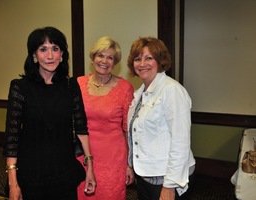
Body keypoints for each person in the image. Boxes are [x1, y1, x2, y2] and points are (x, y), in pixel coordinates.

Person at [2, 26, 96, 200]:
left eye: (55, 49)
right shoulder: (20, 87)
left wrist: (90, 167)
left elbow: (82, 128)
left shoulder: (71, 86)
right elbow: (12, 138)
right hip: (31, 172)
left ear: (62, 54)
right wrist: (13, 183)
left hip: (63, 170)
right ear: (34, 56)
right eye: (43, 49)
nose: (50, 56)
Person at [127, 37, 195, 200]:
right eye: (138, 59)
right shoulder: (140, 93)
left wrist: (169, 186)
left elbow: (181, 141)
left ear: (160, 60)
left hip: (166, 179)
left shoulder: (172, 90)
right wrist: (130, 165)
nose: (142, 64)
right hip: (145, 176)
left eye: (149, 58)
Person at [76, 36, 135, 199]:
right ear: (93, 58)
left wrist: (129, 164)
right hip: (82, 155)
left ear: (115, 63)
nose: (104, 61)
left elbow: (127, 130)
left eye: (110, 57)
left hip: (113, 158)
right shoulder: (78, 84)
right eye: (101, 55)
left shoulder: (124, 88)